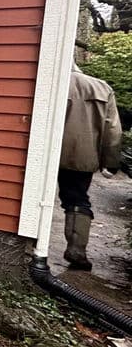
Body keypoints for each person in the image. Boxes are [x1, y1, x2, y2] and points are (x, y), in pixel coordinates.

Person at [58, 65, 123, 270]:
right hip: (83, 156)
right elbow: (113, 131)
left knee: (33, 195)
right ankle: (76, 250)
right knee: (77, 199)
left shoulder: (53, 80)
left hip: (47, 152)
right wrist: (110, 163)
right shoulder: (102, 88)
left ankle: (30, 244)